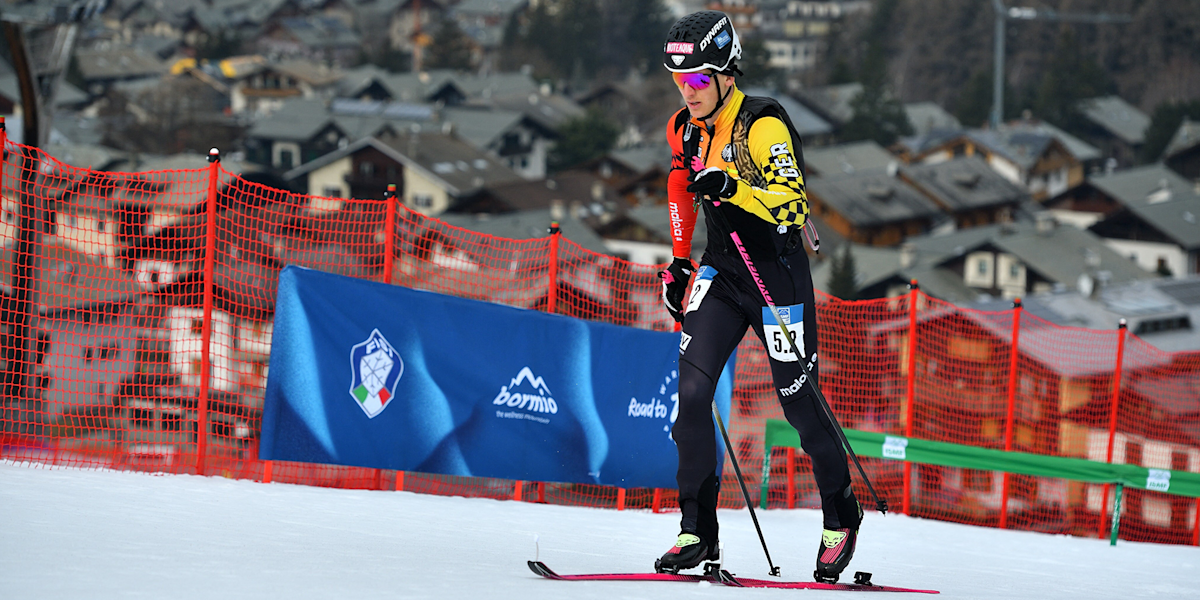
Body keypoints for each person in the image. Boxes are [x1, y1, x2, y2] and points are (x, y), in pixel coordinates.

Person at [655, 10, 863, 583]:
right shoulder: (685, 128)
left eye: (698, 80)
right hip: (723, 272)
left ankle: (840, 514)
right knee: (692, 394)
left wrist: (734, 187)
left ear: (725, 73)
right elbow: (678, 187)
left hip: (776, 275)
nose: (688, 91)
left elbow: (793, 207)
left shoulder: (763, 126)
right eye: (679, 80)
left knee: (799, 405)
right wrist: (678, 260)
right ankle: (696, 530)